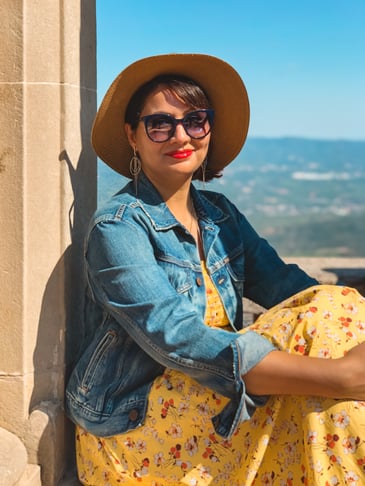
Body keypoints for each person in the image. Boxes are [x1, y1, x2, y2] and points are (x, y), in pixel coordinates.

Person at [65, 53, 365, 485]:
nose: (180, 135)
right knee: (332, 387)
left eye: (195, 120)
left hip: (209, 396)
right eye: (160, 124)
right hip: (138, 427)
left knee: (334, 318)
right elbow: (179, 338)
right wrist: (338, 375)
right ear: (133, 136)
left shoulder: (219, 215)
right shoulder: (119, 227)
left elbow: (293, 290)